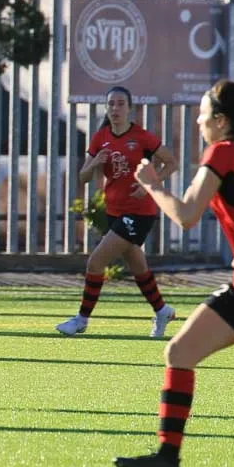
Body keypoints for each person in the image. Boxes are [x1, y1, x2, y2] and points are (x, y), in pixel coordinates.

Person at [114, 80, 234, 467]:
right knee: (180, 351)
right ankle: (167, 458)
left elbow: (187, 215)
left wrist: (152, 185)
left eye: (202, 113)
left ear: (222, 121)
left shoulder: (223, 153)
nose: (198, 120)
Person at [56, 86, 179, 338]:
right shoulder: (100, 137)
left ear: (129, 108)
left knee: (96, 261)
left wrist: (150, 186)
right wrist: (95, 162)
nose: (115, 109)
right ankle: (162, 310)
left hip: (139, 213)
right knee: (138, 268)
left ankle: (81, 320)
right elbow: (83, 176)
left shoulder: (142, 137)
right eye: (111, 104)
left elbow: (172, 162)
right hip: (115, 212)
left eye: (120, 104)